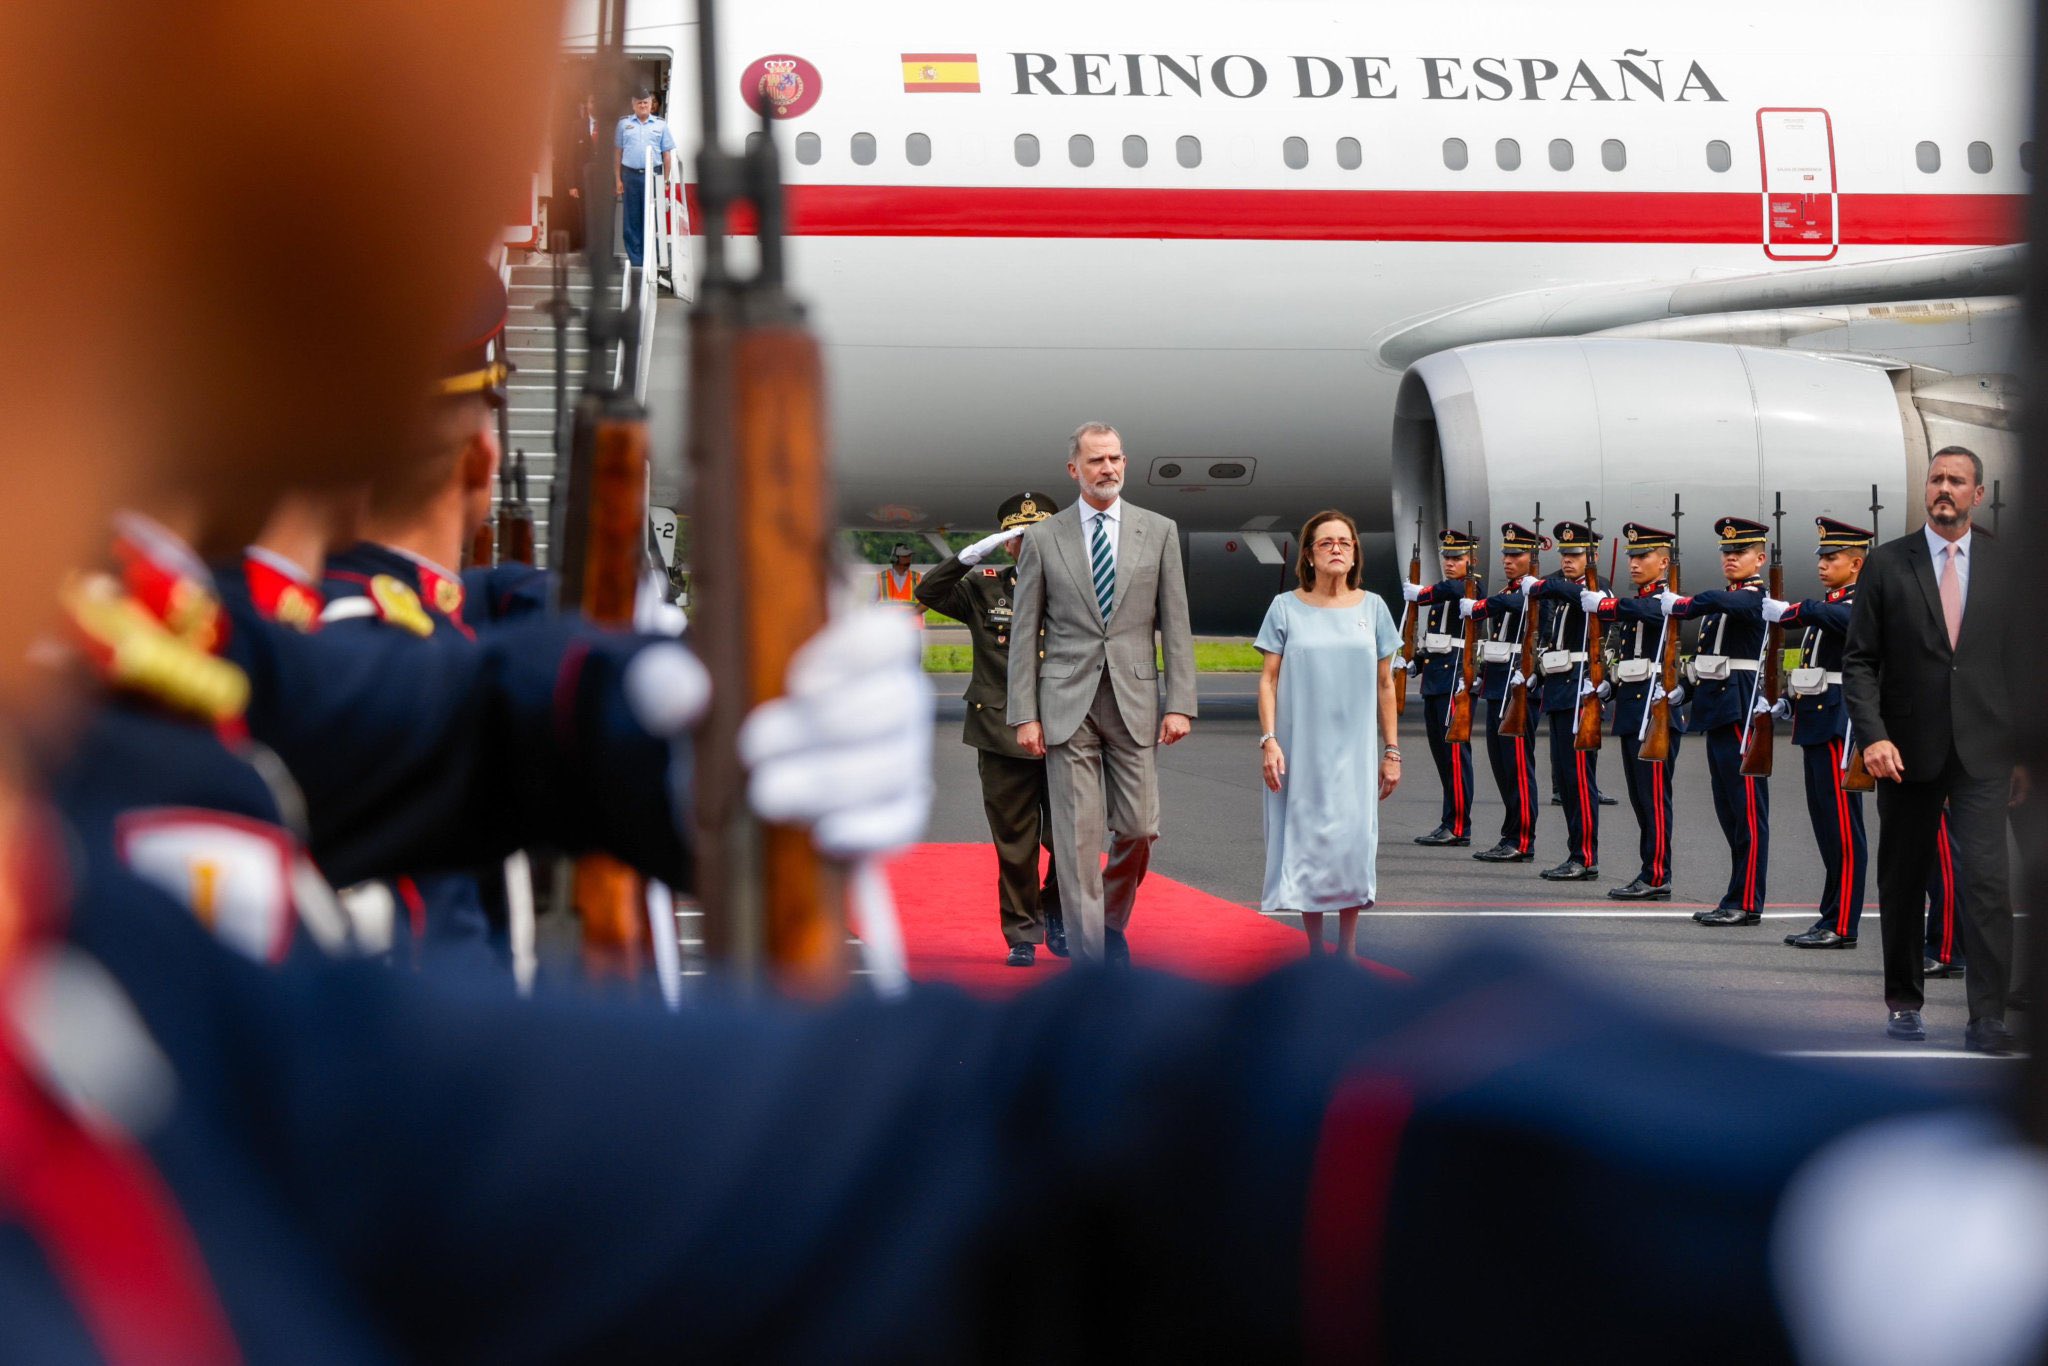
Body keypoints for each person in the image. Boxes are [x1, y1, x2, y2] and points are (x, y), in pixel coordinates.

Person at [1844, 446, 2028, 1051]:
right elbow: (1860, 661)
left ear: (1979, 494)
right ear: (1926, 489)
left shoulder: (2005, 565)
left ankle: (1988, 1018)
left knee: (1988, 886)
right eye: (1936, 479)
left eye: (1957, 480)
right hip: (1903, 751)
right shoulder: (1887, 563)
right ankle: (1904, 1003)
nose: (1944, 489)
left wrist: (2024, 753)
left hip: (1985, 750)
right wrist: (1873, 737)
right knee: (1903, 881)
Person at [1008, 421, 1195, 965]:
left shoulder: (1159, 531)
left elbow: (1175, 624)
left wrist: (1180, 702)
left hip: (1134, 701)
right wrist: (1024, 714)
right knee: (1076, 841)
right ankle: (1092, 964)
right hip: (1066, 705)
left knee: (1139, 828)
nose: (1107, 468)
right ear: (1075, 469)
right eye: (1096, 460)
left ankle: (1109, 921)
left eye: (1114, 458)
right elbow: (1025, 632)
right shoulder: (1044, 538)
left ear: (1125, 462)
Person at [915, 491, 1067, 965]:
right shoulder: (985, 589)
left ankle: (1057, 913)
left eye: (1040, 534)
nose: (1030, 543)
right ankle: (1022, 933)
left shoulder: (1078, 587)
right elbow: (928, 594)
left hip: (1066, 731)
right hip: (1001, 732)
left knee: (1068, 839)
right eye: (1020, 536)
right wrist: (967, 556)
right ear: (1007, 543)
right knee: (1016, 843)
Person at [1255, 509, 1402, 956]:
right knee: (1310, 843)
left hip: (1355, 752)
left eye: (1344, 542)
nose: (1337, 549)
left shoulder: (1374, 608)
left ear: (1355, 553)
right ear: (1309, 555)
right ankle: (1316, 950)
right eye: (1326, 543)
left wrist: (1392, 750)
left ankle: (1349, 951)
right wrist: (1269, 741)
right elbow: (1268, 680)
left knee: (1352, 844)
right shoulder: (1285, 607)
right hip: (1301, 748)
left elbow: (1385, 684)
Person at [1767, 517, 1872, 949]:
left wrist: (1794, 610)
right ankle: (1830, 915)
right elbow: (1813, 667)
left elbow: (1842, 623)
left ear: (1857, 565)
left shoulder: (1858, 604)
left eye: (1833, 558)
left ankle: (1843, 923)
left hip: (1839, 726)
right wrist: (1788, 701)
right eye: (1822, 558)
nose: (1823, 565)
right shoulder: (1830, 605)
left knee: (1843, 830)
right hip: (1815, 721)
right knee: (1827, 828)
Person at [1668, 517, 1773, 926]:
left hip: (1739, 710)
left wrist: (1683, 604)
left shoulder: (1753, 599)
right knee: (1729, 811)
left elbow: (1725, 604)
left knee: (1747, 812)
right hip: (1717, 709)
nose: (1730, 558)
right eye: (1726, 552)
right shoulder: (1726, 601)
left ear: (1759, 559)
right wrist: (1686, 689)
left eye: (1740, 552)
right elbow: (1711, 659)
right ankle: (1736, 893)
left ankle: (1746, 901)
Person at [1588, 522, 1683, 900]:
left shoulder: (1665, 600)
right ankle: (1649, 870)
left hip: (1655, 713)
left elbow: (1651, 613)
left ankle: (1657, 874)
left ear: (1664, 563)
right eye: (1632, 557)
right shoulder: (1641, 600)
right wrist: (1611, 684)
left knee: (1654, 798)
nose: (1634, 563)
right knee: (1641, 799)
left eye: (1643, 556)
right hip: (1632, 708)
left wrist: (1605, 605)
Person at [1461, 522, 1547, 863]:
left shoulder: (1537, 595)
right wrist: (1480, 674)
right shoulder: (1510, 592)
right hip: (1498, 684)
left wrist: (1482, 606)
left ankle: (1523, 839)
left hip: (1519, 689)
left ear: (1533, 558)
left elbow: (1539, 630)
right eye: (1506, 555)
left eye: (1516, 555)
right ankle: (1510, 833)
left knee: (1518, 767)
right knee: (1501, 766)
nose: (1508, 561)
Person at [1524, 520, 1602, 881]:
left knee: (1580, 780)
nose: (1567, 560)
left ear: (1592, 556)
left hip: (1578, 695)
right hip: (1558, 691)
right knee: (1567, 782)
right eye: (1564, 555)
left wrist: (1542, 584)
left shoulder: (1594, 591)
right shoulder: (1566, 593)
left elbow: (1575, 595)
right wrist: (1537, 674)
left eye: (1575, 554)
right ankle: (1576, 852)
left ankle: (1585, 856)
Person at [1399, 529, 1478, 846]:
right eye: (1447, 557)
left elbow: (1451, 590)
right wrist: (1416, 662)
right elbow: (1437, 639)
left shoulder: (1468, 587)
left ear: (1471, 560)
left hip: (1454, 680)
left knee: (1455, 756)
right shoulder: (1444, 591)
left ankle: (1459, 826)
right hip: (1435, 681)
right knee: (1443, 757)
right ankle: (1449, 820)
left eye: (1457, 558)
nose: (1449, 563)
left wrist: (1421, 593)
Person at [614, 84, 675, 268]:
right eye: (639, 103)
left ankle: (651, 259)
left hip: (654, 176)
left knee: (652, 218)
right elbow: (617, 153)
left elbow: (667, 155)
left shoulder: (660, 125)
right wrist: (617, 179)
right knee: (631, 221)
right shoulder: (624, 124)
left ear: (651, 104)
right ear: (633, 105)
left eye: (646, 103)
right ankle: (636, 262)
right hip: (630, 176)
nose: (643, 105)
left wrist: (666, 180)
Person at [875, 542, 922, 615]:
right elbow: (871, 604)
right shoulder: (881, 578)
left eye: (909, 556)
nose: (909, 559)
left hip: (911, 621)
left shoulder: (918, 577)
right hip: (889, 621)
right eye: (905, 556)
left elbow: (924, 604)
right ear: (895, 559)